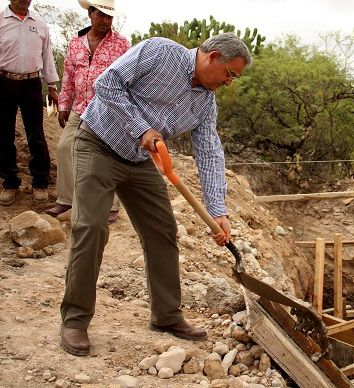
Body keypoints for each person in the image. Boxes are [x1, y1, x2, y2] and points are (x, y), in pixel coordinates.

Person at [59, 33, 252, 356]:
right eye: (229, 74)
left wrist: (218, 211)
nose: (229, 82)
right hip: (98, 144)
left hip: (140, 160)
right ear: (213, 56)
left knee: (163, 231)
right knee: (91, 227)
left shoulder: (205, 102)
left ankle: (166, 315)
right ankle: (75, 321)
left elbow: (208, 151)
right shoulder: (159, 52)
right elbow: (106, 84)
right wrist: (141, 128)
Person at [46, 0, 129, 223]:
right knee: (65, 147)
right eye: (101, 15)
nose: (105, 21)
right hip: (80, 108)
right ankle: (67, 200)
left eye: (109, 17)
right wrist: (63, 106)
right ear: (90, 14)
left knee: (107, 154)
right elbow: (69, 78)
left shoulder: (121, 45)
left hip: (107, 111)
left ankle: (111, 205)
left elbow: (129, 79)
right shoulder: (75, 43)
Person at [0, 0, 59, 206]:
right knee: (4, 134)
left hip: (31, 83)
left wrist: (52, 86)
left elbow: (47, 55)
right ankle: (10, 183)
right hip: (3, 82)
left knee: (36, 134)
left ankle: (40, 182)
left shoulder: (40, 24)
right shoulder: (0, 20)